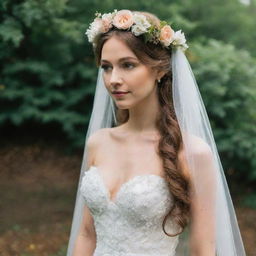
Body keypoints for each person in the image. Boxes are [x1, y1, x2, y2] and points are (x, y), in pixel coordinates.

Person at [67, 9, 246, 256]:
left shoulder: (193, 153)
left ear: (160, 70)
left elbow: (203, 248)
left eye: (128, 65)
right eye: (107, 68)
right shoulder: (98, 142)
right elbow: (86, 234)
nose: (113, 79)